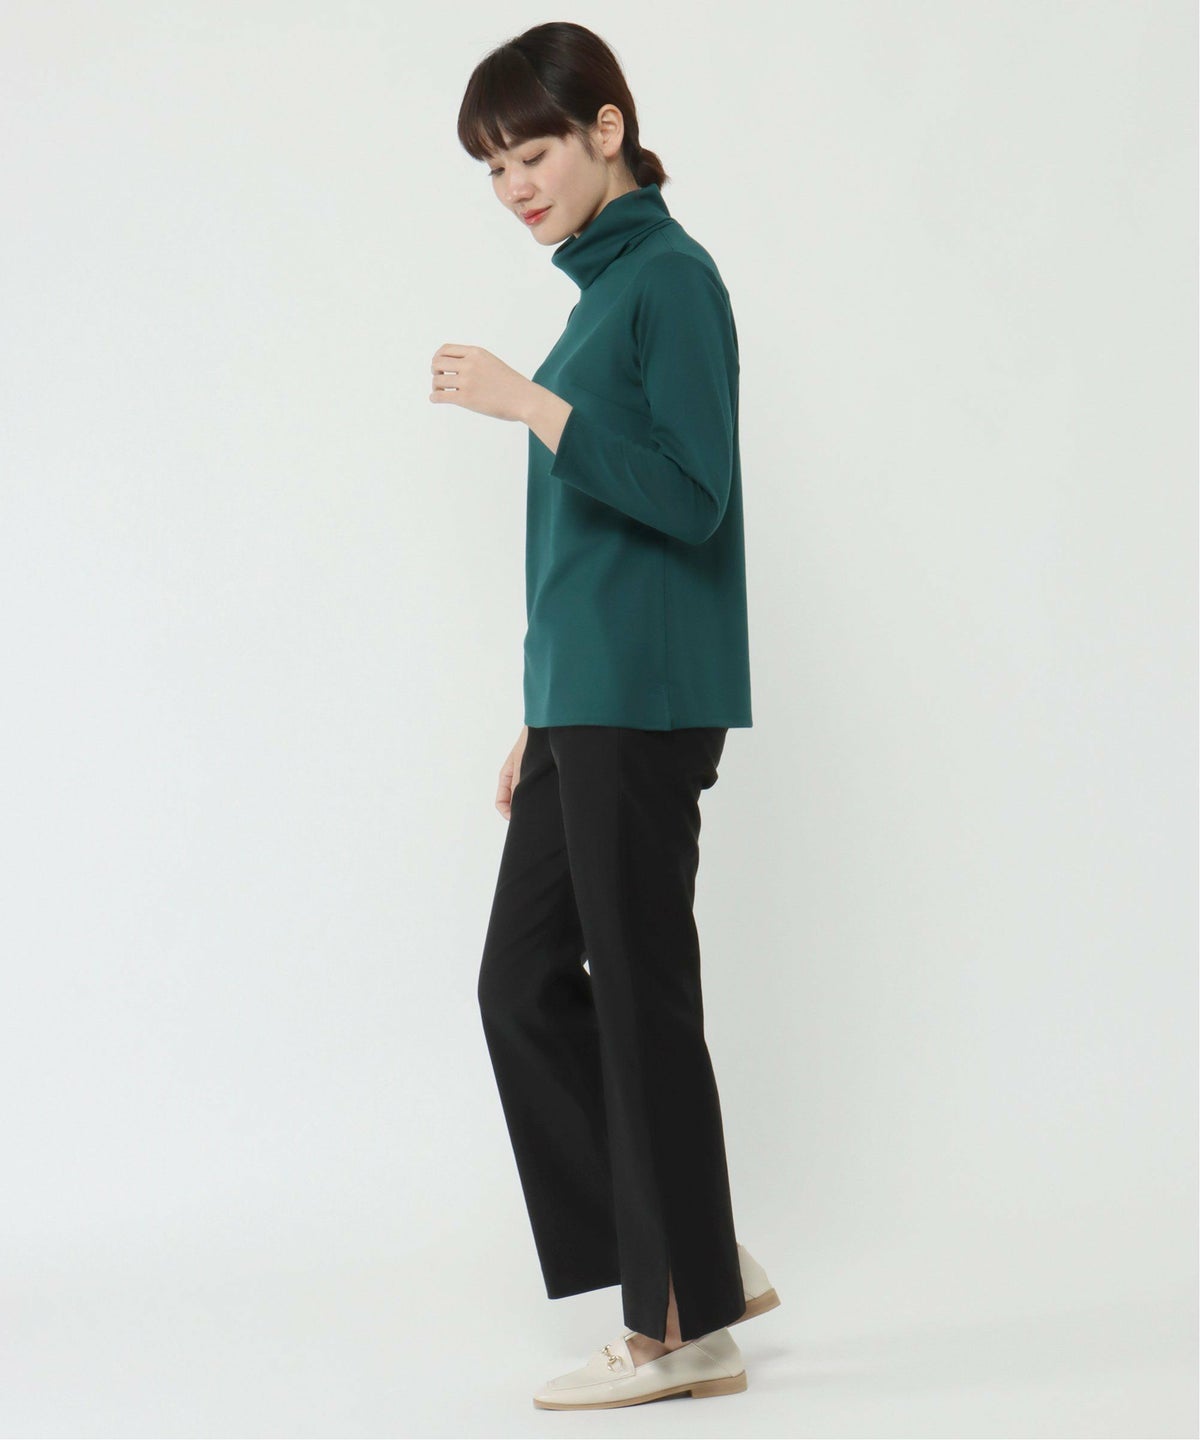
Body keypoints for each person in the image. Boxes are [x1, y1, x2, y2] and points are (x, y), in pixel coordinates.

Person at [430, 21, 780, 1411]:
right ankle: (690, 1254)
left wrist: (532, 406)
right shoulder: (599, 296)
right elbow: (582, 554)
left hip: (646, 702)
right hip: (588, 703)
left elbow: (693, 497)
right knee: (520, 986)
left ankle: (680, 1328)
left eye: (532, 153)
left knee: (637, 1001)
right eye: (493, 167)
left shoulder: (671, 281)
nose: (515, 186)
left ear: (608, 131)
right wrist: (542, 709)